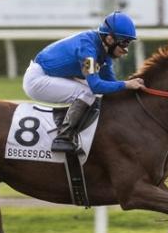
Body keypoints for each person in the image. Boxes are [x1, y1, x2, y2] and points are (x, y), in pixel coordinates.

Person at [23, 11, 146, 154]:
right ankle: (63, 138)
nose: (126, 49)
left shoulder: (104, 55)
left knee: (93, 92)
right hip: (37, 80)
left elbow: (111, 85)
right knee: (87, 92)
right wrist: (126, 84)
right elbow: (96, 86)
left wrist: (132, 90)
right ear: (110, 39)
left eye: (129, 42)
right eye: (124, 42)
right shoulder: (88, 51)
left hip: (51, 75)